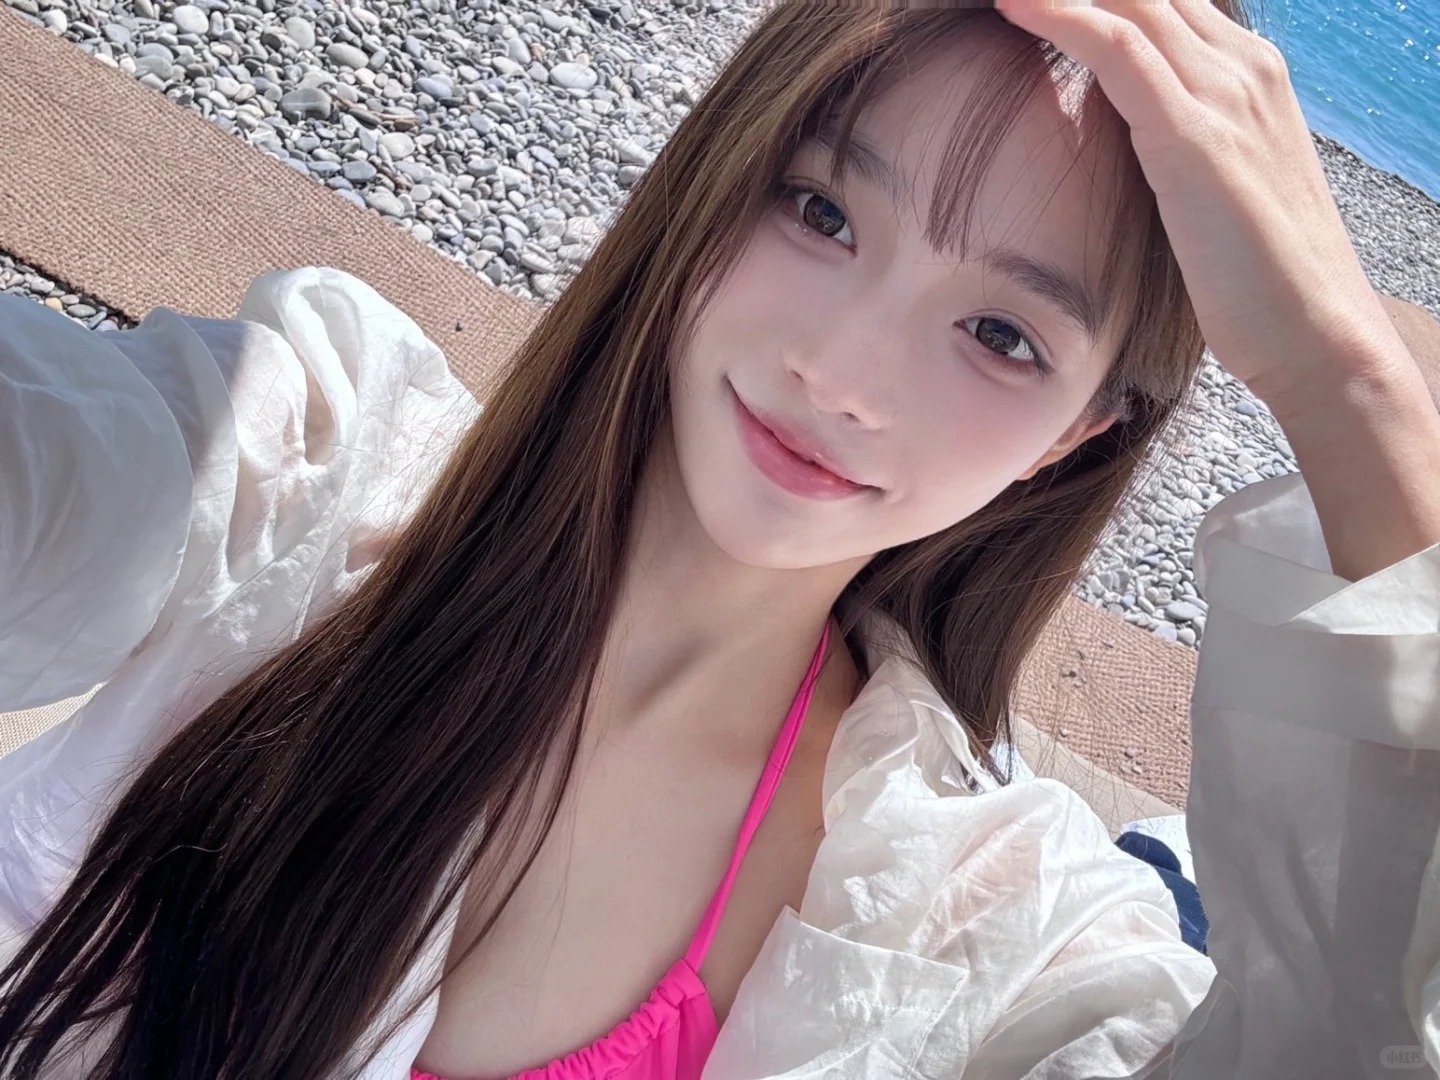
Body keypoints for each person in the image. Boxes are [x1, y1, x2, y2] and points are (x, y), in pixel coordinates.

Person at [0, 1, 1437, 1078]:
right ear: (723, 175)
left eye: (1002, 334)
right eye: (822, 211)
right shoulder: (304, 463)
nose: (843, 374)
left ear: (1075, 437)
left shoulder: (973, 924)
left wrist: (1347, 376)